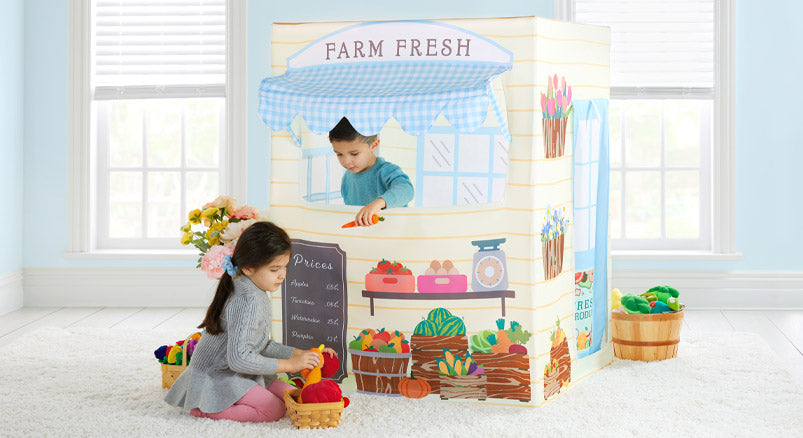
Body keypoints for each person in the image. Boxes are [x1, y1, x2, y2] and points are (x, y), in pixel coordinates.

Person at [164, 221, 336, 423]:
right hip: (218, 375)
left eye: (284, 267)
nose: (282, 275)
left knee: (293, 395)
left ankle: (240, 398)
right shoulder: (248, 300)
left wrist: (300, 355)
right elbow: (239, 359)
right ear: (248, 268)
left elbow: (261, 344)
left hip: (241, 369)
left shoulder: (256, 290)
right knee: (274, 410)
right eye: (274, 269)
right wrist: (290, 365)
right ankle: (204, 410)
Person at [329, 117, 414, 226]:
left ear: (373, 145)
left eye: (354, 154)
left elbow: (407, 190)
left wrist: (378, 203)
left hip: (395, 235)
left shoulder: (386, 171)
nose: (346, 162)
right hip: (367, 237)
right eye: (339, 154)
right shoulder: (347, 178)